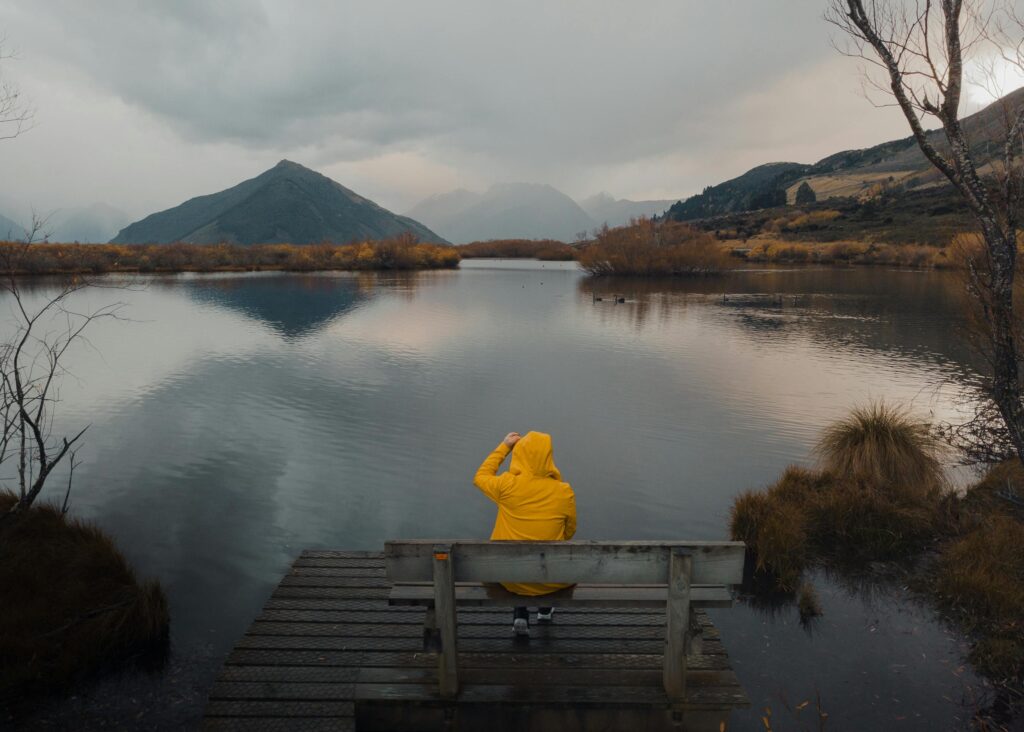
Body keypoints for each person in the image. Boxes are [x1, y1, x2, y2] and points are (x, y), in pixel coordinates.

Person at [473, 430, 577, 636]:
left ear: (519, 454)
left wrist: (504, 446)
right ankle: (545, 610)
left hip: (508, 576)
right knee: (551, 560)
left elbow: (480, 476)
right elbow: (570, 531)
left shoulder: (506, 486)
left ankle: (520, 613)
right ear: (549, 457)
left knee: (516, 563)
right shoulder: (563, 492)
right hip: (551, 578)